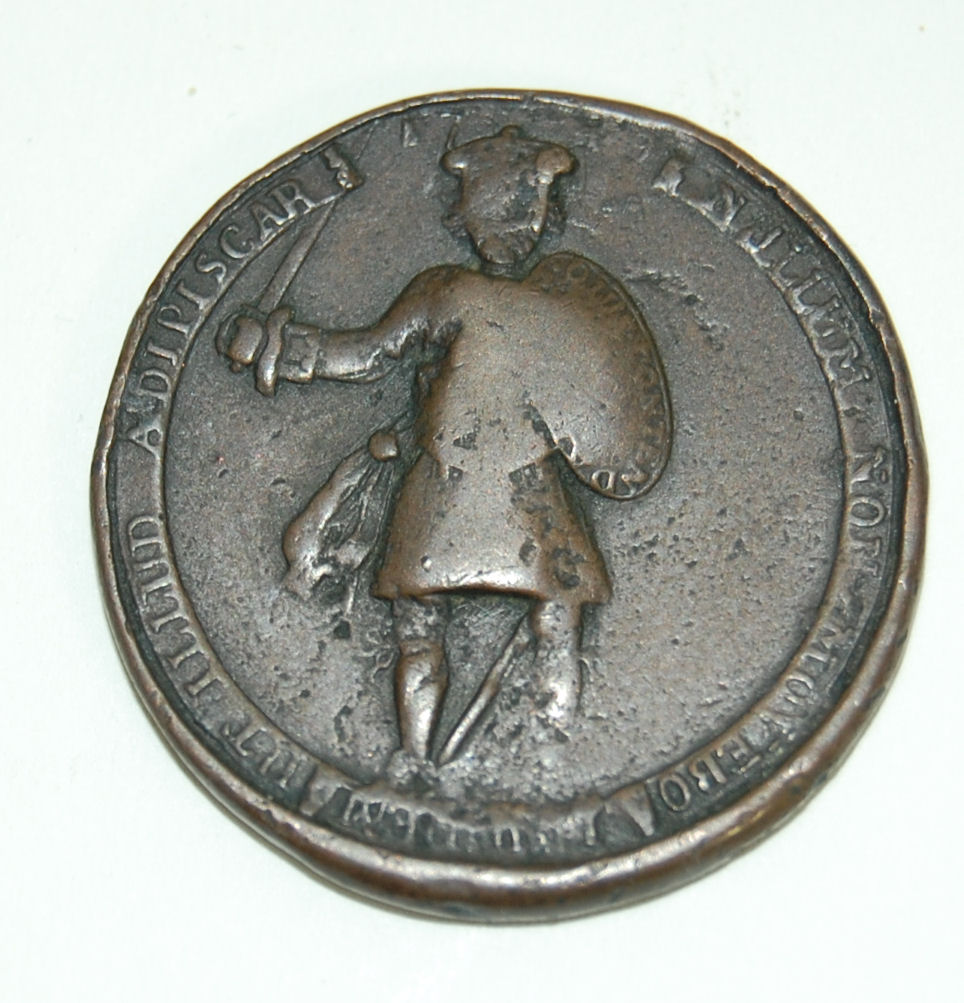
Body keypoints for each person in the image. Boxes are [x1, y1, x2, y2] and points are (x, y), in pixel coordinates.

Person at [224, 125, 672, 768]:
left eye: (519, 213)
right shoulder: (447, 290)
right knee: (431, 628)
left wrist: (283, 348)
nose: (507, 229)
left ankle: (549, 751)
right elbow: (370, 353)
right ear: (467, 217)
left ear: (544, 217)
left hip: (526, 488)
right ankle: (417, 758)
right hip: (448, 480)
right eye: (495, 213)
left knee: (554, 621)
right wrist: (287, 349)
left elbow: (606, 396)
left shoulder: (566, 299)